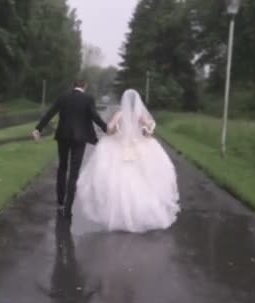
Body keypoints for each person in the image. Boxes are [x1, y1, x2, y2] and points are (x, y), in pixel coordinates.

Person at [74, 89, 180, 233]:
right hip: (138, 148)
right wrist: (146, 133)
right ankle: (143, 212)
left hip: (121, 147)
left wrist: (115, 131)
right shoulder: (140, 115)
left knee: (120, 182)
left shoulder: (120, 114)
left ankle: (121, 216)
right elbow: (150, 129)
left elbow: (110, 129)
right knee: (142, 180)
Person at [33, 80, 108, 218]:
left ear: (73, 86)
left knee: (62, 167)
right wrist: (106, 128)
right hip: (80, 139)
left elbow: (50, 113)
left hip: (63, 136)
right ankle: (68, 204)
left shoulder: (63, 97)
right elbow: (94, 116)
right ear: (85, 86)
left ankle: (60, 201)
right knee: (74, 171)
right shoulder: (88, 98)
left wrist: (38, 128)